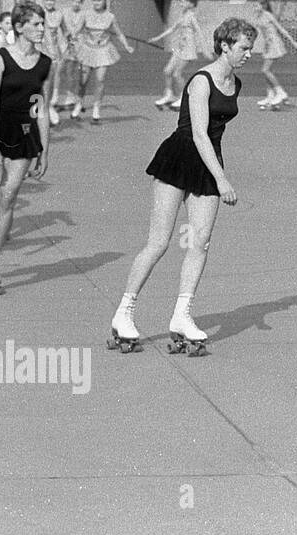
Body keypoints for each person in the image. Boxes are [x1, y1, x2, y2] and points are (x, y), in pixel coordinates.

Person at [106, 18, 256, 354]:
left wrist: (216, 173)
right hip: (180, 158)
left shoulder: (236, 83)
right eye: (244, 48)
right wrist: (222, 178)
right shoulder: (201, 82)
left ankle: (181, 316)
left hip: (208, 163)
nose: (249, 54)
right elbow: (200, 133)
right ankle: (124, 313)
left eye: (250, 48)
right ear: (225, 46)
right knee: (158, 243)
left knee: (200, 243)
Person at [0, 0, 52, 294]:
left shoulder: (45, 64)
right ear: (19, 27)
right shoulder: (1, 58)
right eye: (37, 24)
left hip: (24, 136)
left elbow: (42, 107)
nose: (42, 29)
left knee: (8, 195)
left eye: (43, 23)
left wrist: (45, 149)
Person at [72, 0, 135, 122]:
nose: (97, 3)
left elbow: (119, 33)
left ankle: (96, 108)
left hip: (103, 51)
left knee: (100, 80)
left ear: (105, 1)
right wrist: (72, 40)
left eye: (99, 0)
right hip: (88, 49)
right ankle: (79, 103)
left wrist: (126, 46)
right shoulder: (85, 14)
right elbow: (76, 31)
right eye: (94, 0)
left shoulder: (110, 17)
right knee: (83, 81)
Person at [148, 0, 208, 109]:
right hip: (179, 48)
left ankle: (183, 97)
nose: (181, 2)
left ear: (191, 4)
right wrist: (157, 38)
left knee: (177, 74)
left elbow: (199, 32)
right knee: (167, 71)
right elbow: (172, 29)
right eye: (181, 1)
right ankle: (169, 95)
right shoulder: (182, 15)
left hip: (188, 49)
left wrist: (204, 49)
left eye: (184, 1)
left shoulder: (192, 17)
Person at [253, 0, 297, 108]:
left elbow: (281, 29)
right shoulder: (258, 17)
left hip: (274, 44)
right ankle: (270, 96)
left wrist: (292, 41)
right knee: (268, 71)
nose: (254, 7)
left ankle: (281, 92)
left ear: (263, 6)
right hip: (267, 46)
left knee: (265, 70)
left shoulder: (268, 15)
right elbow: (256, 32)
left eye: (256, 5)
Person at [38, 0, 64, 126]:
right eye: (47, 0)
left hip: (53, 50)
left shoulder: (59, 14)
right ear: (43, 0)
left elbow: (62, 33)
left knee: (51, 79)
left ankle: (48, 107)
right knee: (39, 81)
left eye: (52, 0)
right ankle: (39, 109)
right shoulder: (39, 13)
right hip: (40, 48)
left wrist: (63, 49)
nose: (49, 2)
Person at [57, 0, 86, 109]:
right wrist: (67, 35)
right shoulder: (64, 12)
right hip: (65, 46)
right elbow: (61, 25)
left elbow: (81, 28)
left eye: (79, 2)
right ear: (71, 1)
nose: (76, 4)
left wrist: (74, 37)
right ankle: (58, 99)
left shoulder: (84, 14)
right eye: (74, 1)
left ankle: (74, 100)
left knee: (76, 73)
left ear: (82, 2)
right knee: (61, 71)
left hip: (78, 46)